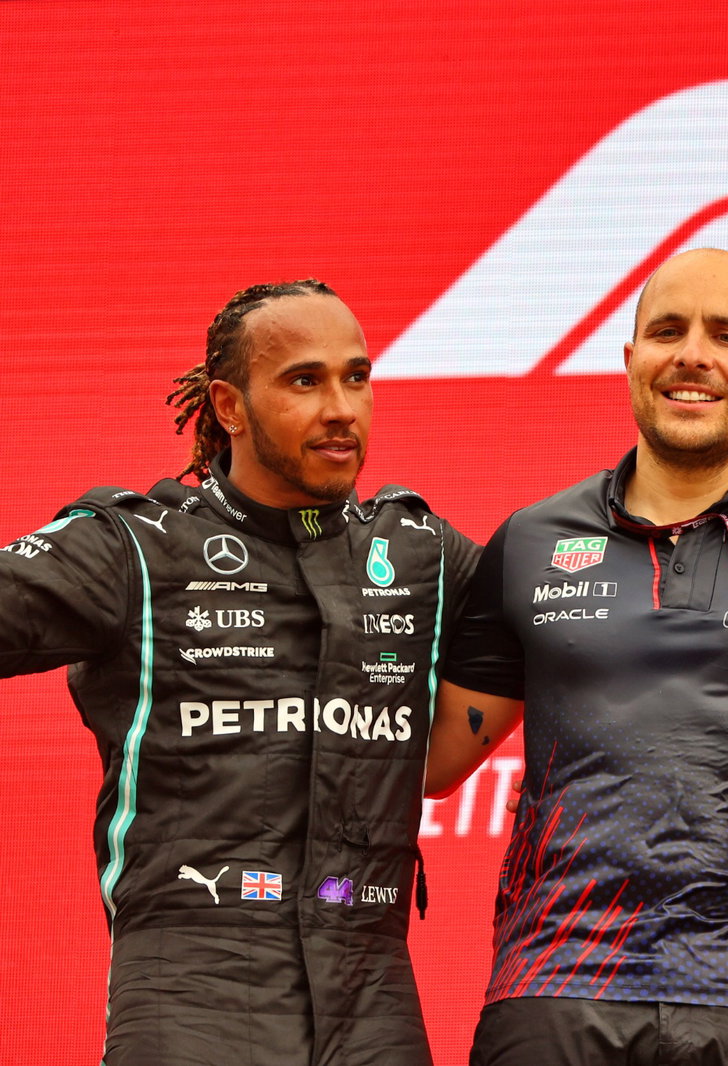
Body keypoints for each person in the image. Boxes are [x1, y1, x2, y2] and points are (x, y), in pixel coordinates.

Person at [426, 247, 728, 1066]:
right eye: (667, 330)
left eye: (727, 335)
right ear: (630, 362)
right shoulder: (530, 541)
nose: (692, 354)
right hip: (554, 991)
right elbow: (435, 760)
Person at [0, 280, 480, 1065]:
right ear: (228, 406)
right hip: (192, 994)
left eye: (356, 378)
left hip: (375, 1000)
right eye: (305, 380)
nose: (341, 408)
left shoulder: (422, 553)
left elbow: (580, 639)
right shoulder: (135, 551)